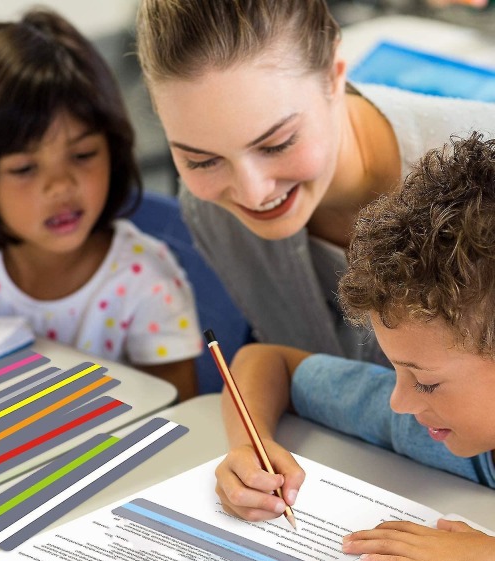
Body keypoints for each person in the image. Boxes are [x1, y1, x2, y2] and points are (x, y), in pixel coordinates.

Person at [135, 0, 495, 368]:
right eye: (201, 160)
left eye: (277, 144)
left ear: (333, 76)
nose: (252, 193)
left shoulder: (486, 181)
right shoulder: (209, 208)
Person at [213, 132, 495, 561]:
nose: (398, 402)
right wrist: (251, 445)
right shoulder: (424, 424)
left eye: (424, 383)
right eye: (397, 370)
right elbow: (270, 362)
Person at [0, 9, 201, 401]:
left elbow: (181, 417)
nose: (61, 186)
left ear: (115, 147)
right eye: (24, 168)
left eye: (84, 154)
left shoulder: (145, 284)